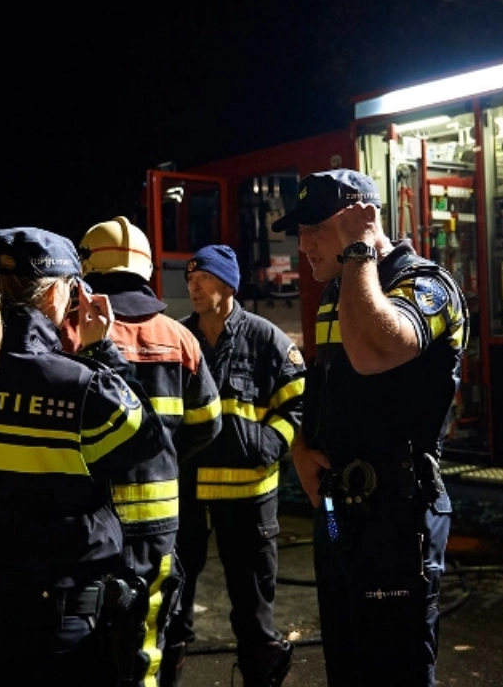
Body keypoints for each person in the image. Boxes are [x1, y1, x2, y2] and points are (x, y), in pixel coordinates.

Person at [0, 227, 173, 685]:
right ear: (55, 294)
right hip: (56, 635)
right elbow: (149, 447)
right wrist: (102, 351)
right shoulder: (83, 387)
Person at [272, 169, 466, 687]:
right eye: (299, 229)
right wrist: (301, 445)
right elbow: (327, 380)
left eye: (314, 227)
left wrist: (360, 251)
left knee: (392, 665)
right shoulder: (340, 291)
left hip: (396, 520)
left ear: (359, 219)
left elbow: (370, 352)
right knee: (348, 654)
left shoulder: (426, 284)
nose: (302, 243)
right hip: (337, 514)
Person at [59, 216, 223, 686]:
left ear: (84, 273)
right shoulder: (181, 338)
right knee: (147, 644)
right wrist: (163, 458)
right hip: (158, 525)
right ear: (147, 270)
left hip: (89, 522)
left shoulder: (69, 335)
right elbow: (207, 425)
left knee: (84, 643)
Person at [164, 244, 307, 687]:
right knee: (172, 606)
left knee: (253, 611)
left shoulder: (266, 339)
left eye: (203, 278)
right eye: (190, 279)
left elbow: (298, 402)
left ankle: (261, 674)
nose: (194, 285)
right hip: (187, 496)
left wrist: (267, 445)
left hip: (248, 498)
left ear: (227, 284)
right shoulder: (178, 337)